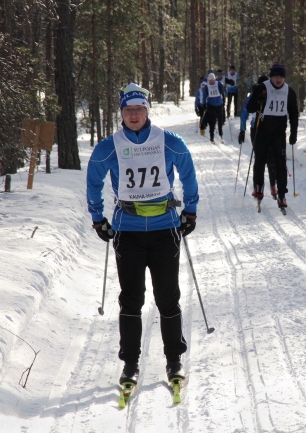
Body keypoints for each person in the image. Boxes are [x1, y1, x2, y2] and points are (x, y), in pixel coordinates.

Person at [86, 83, 199, 387]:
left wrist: (190, 211)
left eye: (138, 109)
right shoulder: (109, 146)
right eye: (128, 110)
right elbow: (94, 179)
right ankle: (130, 365)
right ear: (121, 112)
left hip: (165, 230)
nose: (133, 115)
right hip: (128, 232)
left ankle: (174, 361)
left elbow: (187, 172)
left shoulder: (168, 141)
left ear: (147, 111)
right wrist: (98, 219)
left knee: (168, 299)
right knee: (131, 300)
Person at [245, 64, 298, 210]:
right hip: (262, 131)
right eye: (276, 76)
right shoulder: (262, 87)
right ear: (271, 77)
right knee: (260, 161)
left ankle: (282, 194)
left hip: (279, 134)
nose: (278, 79)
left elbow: (294, 113)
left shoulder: (288, 91)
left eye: (281, 77)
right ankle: (259, 187)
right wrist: (258, 102)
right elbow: (249, 108)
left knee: (280, 164)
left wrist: (294, 133)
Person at [239, 75, 278, 199]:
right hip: (262, 129)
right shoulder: (271, 94)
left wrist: (242, 130)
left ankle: (260, 187)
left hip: (259, 129)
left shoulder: (263, 95)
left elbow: (244, 114)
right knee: (269, 158)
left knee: (261, 158)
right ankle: (270, 185)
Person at [204, 72, 225, 144]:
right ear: (208, 80)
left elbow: (222, 91)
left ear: (214, 79)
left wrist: (223, 89)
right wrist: (205, 104)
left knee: (220, 121)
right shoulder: (207, 86)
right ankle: (212, 137)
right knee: (212, 122)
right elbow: (205, 95)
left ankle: (221, 135)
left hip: (219, 104)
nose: (212, 81)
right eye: (210, 80)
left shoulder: (218, 84)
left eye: (213, 80)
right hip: (211, 105)